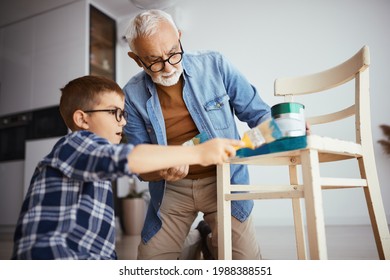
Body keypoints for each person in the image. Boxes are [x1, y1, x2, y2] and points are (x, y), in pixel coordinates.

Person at [11, 75, 243, 260]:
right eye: (115, 113)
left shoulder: (89, 161)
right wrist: (198, 153)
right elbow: (128, 157)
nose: (122, 121)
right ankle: (196, 242)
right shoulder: (76, 142)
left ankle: (194, 242)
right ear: (82, 120)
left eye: (123, 114)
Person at [123, 9, 271, 260]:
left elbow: (260, 114)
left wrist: (287, 124)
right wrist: (164, 168)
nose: (168, 67)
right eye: (154, 61)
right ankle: (192, 239)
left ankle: (209, 238)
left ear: (179, 37)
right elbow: (141, 167)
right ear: (137, 59)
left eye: (173, 53)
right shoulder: (131, 96)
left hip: (225, 179)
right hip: (172, 190)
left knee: (246, 266)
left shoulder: (215, 65)